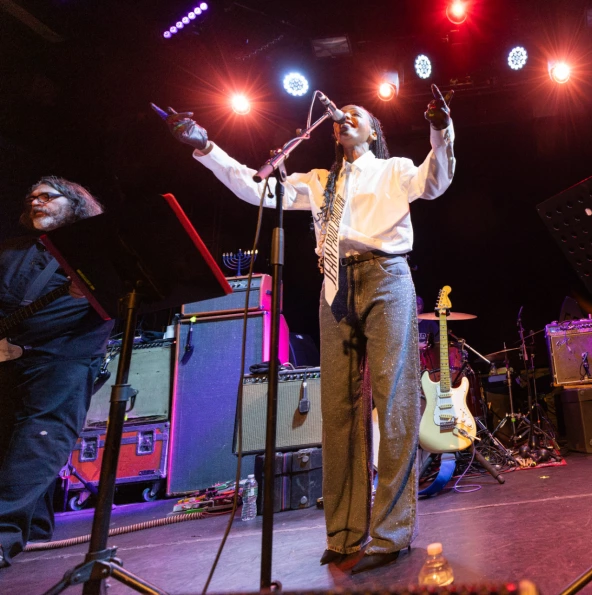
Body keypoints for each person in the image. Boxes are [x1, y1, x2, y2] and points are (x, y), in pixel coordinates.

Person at [161, 85, 455, 573]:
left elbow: (437, 180)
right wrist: (205, 145)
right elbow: (256, 189)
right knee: (337, 410)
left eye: (357, 114)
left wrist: (441, 129)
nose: (346, 117)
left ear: (374, 131)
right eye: (341, 116)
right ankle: (343, 533)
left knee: (394, 403)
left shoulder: (395, 168)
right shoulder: (319, 180)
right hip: (334, 283)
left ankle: (391, 534)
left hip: (386, 276)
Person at [0, 177, 113, 568]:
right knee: (11, 443)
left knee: (39, 438)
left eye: (47, 196)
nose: (36, 202)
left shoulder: (100, 248)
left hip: (67, 356)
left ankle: (2, 535)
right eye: (31, 197)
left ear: (76, 203)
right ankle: (35, 527)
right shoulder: (12, 253)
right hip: (12, 359)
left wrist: (101, 286)